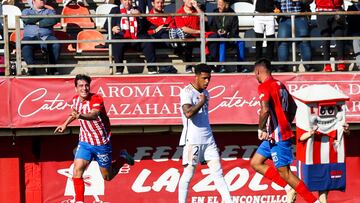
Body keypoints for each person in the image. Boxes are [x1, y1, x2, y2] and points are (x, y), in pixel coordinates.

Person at [54, 74, 135, 203]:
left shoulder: (96, 99)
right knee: (77, 169)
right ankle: (79, 201)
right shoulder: (75, 99)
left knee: (107, 177)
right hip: (85, 142)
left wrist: (80, 116)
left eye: (86, 85)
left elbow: (93, 115)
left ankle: (122, 158)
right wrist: (65, 124)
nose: (84, 88)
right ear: (76, 88)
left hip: (101, 144)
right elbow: (74, 112)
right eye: (81, 86)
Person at [250, 59, 320, 203]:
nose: (255, 76)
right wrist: (285, 122)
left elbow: (264, 110)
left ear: (258, 71)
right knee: (256, 162)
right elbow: (294, 107)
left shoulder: (265, 86)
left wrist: (261, 128)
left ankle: (313, 201)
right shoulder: (280, 85)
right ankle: (288, 188)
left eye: (254, 73)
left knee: (286, 173)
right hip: (274, 134)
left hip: (278, 136)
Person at [178, 64, 232, 203]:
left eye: (209, 78)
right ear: (196, 76)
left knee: (218, 172)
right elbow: (188, 113)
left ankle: (229, 200)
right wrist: (201, 102)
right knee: (188, 174)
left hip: (208, 140)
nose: (207, 81)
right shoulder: (187, 92)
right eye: (204, 78)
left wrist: (203, 100)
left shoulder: (206, 93)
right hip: (192, 141)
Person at [110, 0, 158, 74]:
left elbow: (145, 26)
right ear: (121, 1)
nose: (127, 2)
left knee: (147, 41)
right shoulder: (115, 10)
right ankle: (119, 68)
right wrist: (112, 28)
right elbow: (107, 25)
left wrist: (140, 16)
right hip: (122, 36)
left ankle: (152, 68)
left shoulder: (138, 9)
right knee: (116, 42)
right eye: (125, 0)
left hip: (137, 37)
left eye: (129, 0)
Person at [174, 0, 218, 73]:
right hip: (189, 36)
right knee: (187, 41)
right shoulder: (179, 12)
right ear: (184, 1)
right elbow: (183, 28)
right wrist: (198, 31)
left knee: (214, 36)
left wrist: (197, 7)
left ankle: (210, 63)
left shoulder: (197, 10)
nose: (190, 1)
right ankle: (188, 66)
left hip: (201, 36)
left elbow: (205, 19)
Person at [21, 0, 60, 76]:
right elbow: (26, 19)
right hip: (30, 37)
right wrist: (43, 17)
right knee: (25, 44)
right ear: (34, 1)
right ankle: (31, 69)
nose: (44, 1)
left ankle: (52, 68)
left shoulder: (49, 11)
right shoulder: (26, 11)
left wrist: (38, 22)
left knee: (56, 43)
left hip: (46, 37)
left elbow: (54, 20)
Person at [209, 0, 247, 73]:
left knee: (241, 42)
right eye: (217, 4)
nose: (218, 6)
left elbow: (235, 30)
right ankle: (221, 66)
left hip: (230, 37)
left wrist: (227, 33)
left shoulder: (232, 14)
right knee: (222, 40)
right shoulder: (215, 12)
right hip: (219, 37)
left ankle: (240, 66)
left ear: (226, 5)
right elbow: (212, 27)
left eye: (220, 4)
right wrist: (217, 32)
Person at [276, 0, 314, 72]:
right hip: (284, 17)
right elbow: (273, 2)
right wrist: (275, 9)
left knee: (304, 41)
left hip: (300, 16)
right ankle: (282, 66)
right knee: (282, 42)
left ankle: (308, 65)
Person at [146, 0, 178, 73]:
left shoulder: (167, 16)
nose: (160, 5)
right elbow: (145, 33)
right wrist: (156, 30)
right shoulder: (147, 17)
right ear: (152, 3)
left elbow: (173, 27)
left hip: (166, 40)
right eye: (158, 3)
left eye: (162, 3)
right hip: (153, 41)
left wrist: (169, 28)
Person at [315, 0, 346, 72]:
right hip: (322, 11)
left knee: (340, 36)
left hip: (337, 10)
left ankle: (341, 61)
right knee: (325, 38)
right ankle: (327, 64)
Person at [347, 0, 360, 71]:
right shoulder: (351, 8)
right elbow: (351, 24)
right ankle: (359, 65)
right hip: (355, 32)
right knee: (356, 40)